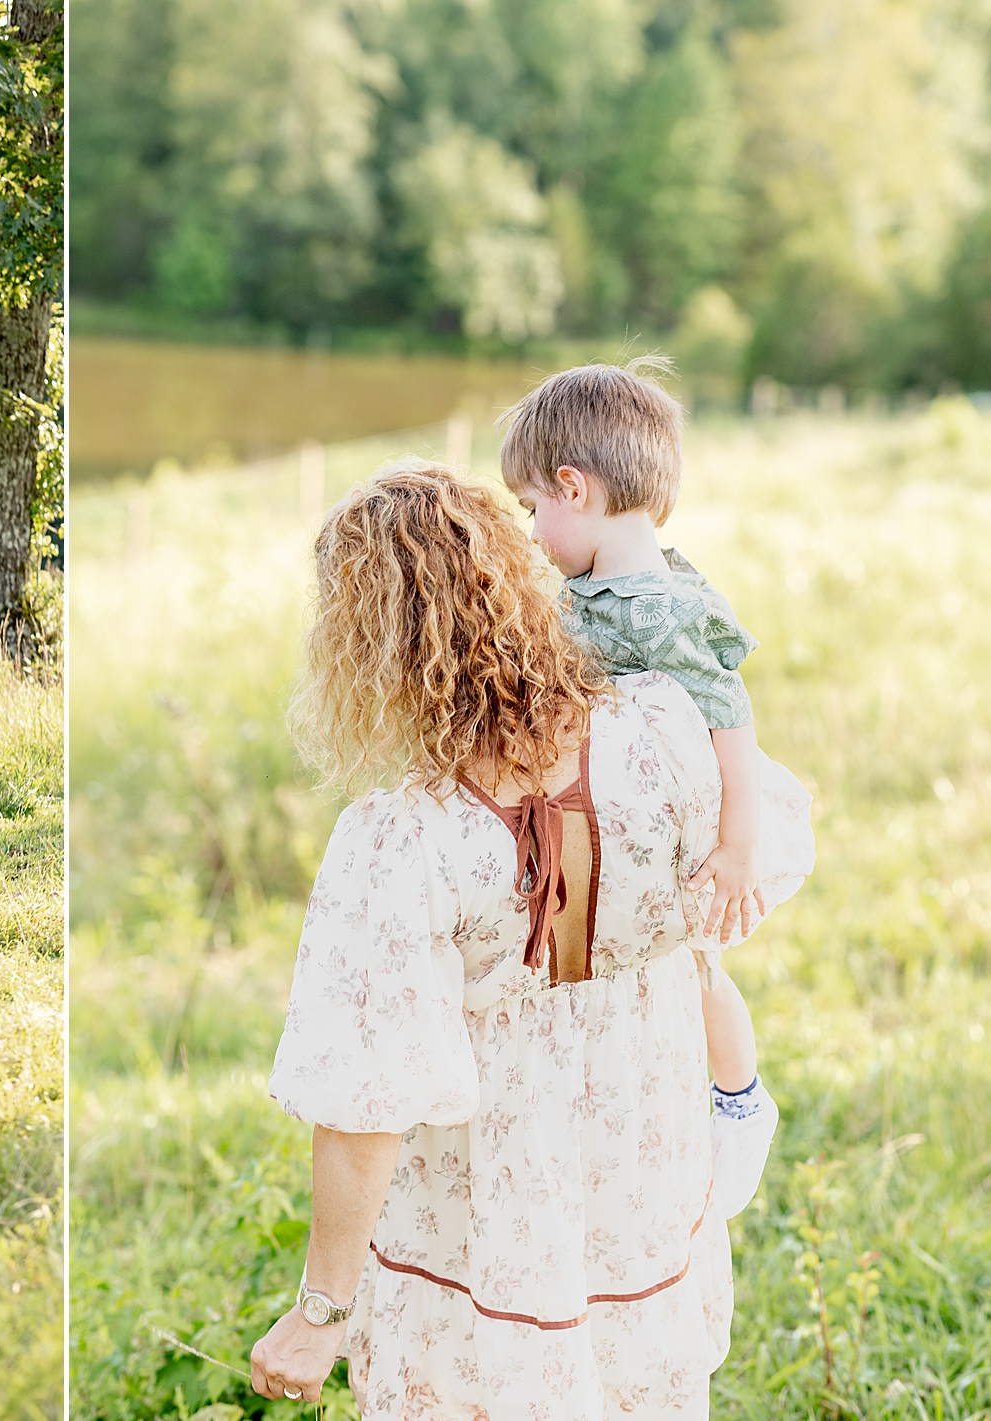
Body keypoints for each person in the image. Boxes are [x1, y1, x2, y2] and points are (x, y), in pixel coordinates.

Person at [250, 466, 772, 1415]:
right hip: (640, 1151)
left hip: (485, 1194)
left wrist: (322, 1312)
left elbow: (368, 1101)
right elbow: (744, 870)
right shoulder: (665, 724)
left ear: (373, 645)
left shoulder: (402, 838)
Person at [498, 360, 814, 1217]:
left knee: (694, 967)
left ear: (574, 487)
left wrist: (739, 842)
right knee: (599, 974)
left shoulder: (658, 606)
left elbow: (729, 715)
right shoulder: (601, 589)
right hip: (602, 824)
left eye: (532, 508)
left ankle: (740, 1098)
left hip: (674, 833)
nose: (530, 532)